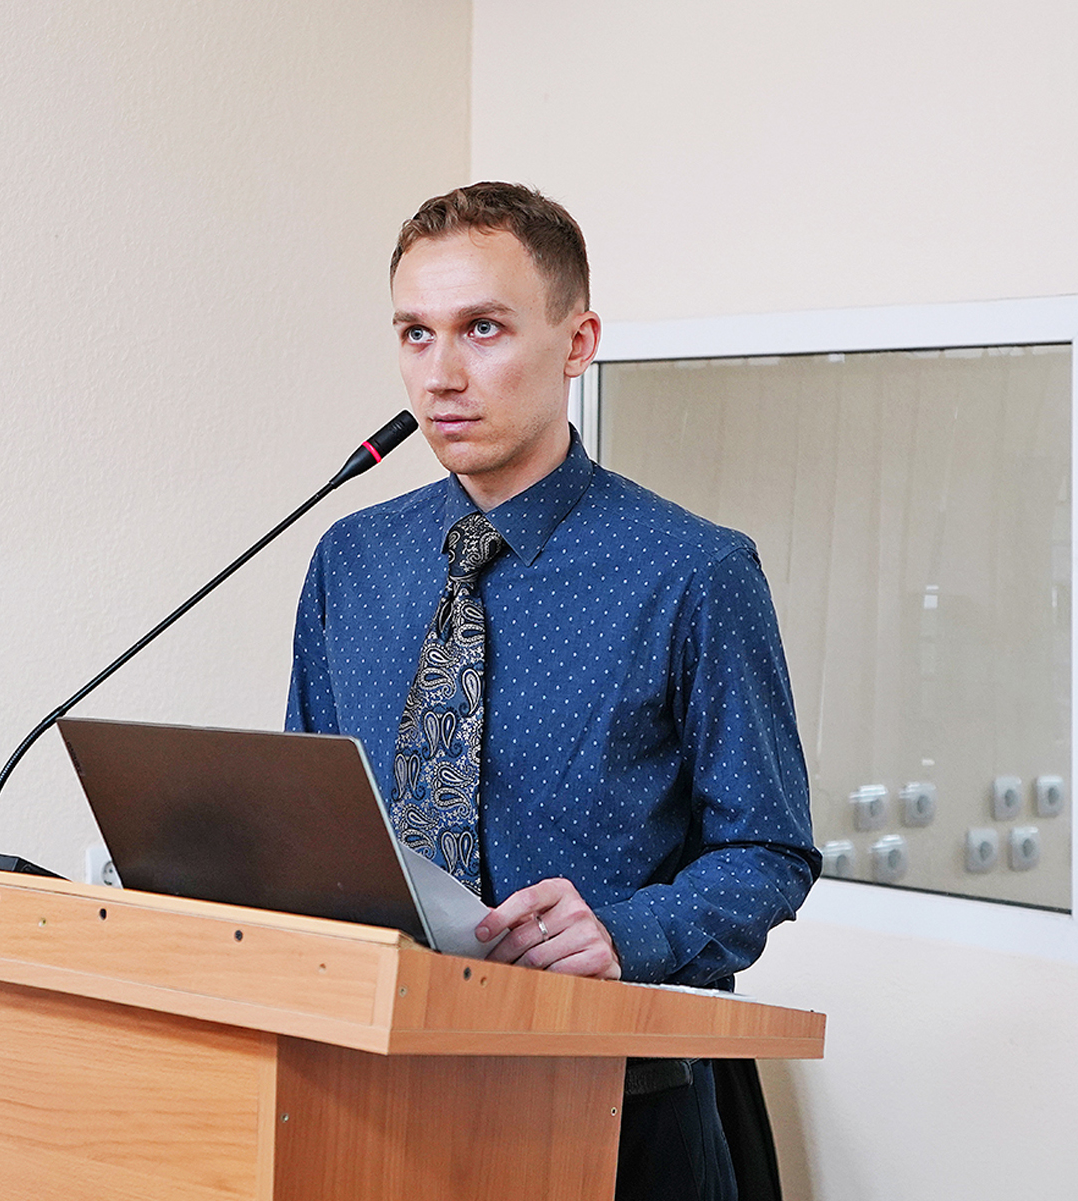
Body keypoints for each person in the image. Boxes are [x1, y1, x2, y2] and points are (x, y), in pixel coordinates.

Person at [285, 181, 820, 1201]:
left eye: (482, 329)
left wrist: (626, 932)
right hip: (372, 1096)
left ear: (578, 343)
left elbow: (770, 850)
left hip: (618, 1110)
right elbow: (312, 816)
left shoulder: (694, 572)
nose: (440, 374)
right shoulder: (349, 559)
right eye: (415, 333)